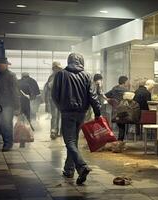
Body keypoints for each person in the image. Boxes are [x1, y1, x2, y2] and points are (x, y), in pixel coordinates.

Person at [52, 53, 101, 185]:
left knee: (69, 142)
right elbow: (93, 96)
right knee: (73, 141)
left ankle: (82, 166)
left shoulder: (61, 74)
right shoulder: (87, 75)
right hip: (81, 113)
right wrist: (98, 113)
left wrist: (61, 107)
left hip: (67, 112)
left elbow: (54, 95)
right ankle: (69, 169)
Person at [0, 58, 20, 152]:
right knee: (1, 124)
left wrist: (17, 107)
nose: (0, 66)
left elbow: (15, 91)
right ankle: (7, 142)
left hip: (8, 104)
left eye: (2, 64)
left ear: (6, 65)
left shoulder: (11, 75)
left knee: (7, 124)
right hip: (0, 104)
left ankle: (8, 143)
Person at [105, 76, 129, 152]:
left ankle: (116, 143)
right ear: (124, 82)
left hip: (115, 110)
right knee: (122, 126)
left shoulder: (114, 89)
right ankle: (119, 144)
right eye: (127, 81)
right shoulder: (126, 90)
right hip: (122, 110)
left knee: (118, 126)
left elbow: (105, 95)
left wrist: (111, 101)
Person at [44, 62, 62, 140]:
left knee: (60, 116)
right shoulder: (52, 77)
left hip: (60, 99)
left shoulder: (61, 76)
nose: (56, 69)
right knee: (55, 116)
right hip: (54, 99)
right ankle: (54, 131)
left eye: (58, 68)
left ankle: (58, 132)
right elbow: (48, 87)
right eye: (55, 68)